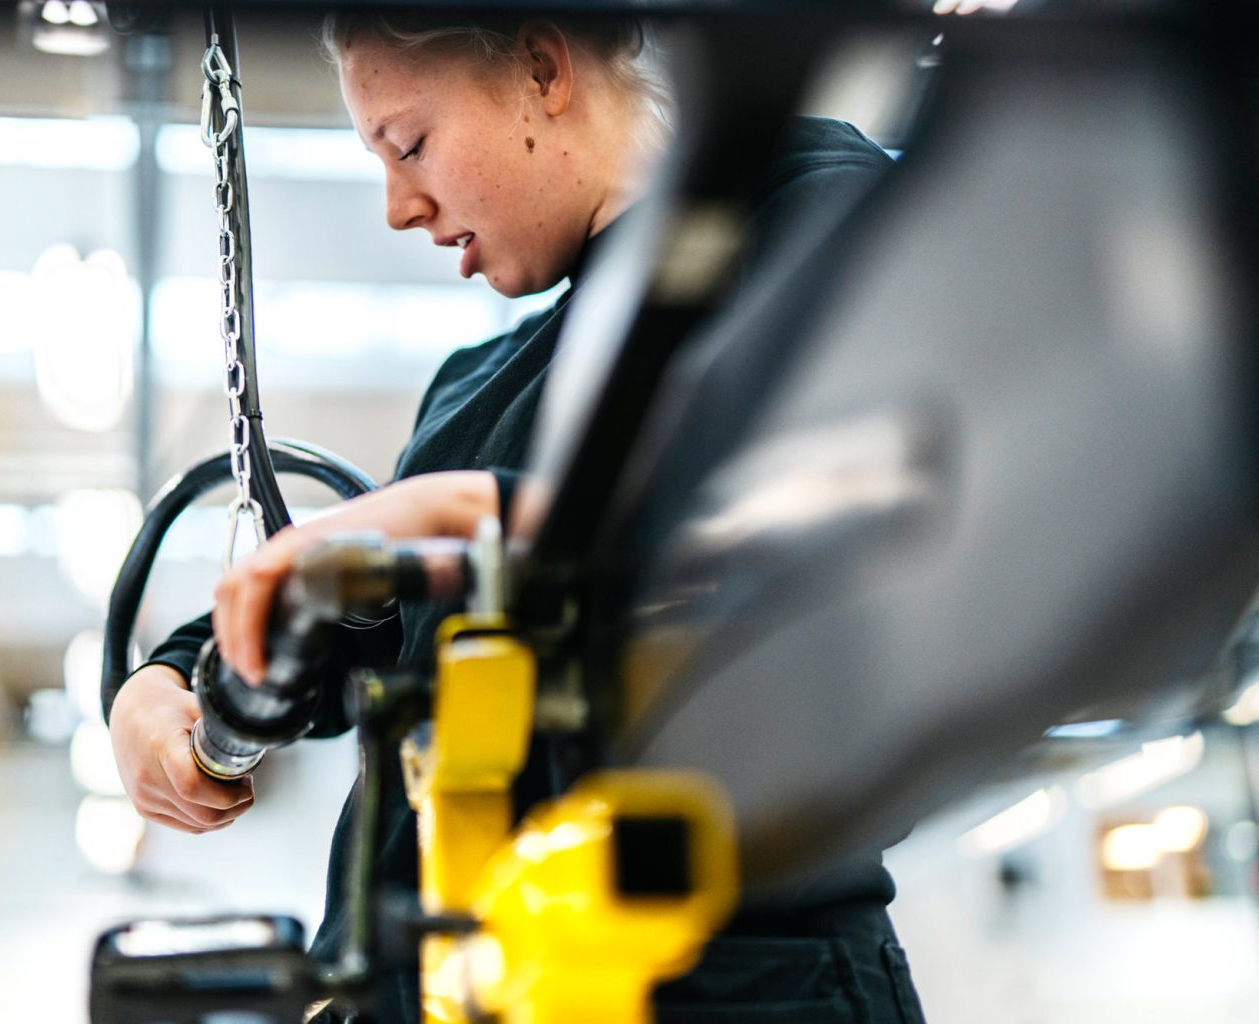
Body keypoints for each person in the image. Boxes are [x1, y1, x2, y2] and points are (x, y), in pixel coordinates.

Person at [109, 12, 923, 1022]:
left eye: (410, 143)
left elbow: (815, 499)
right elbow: (361, 613)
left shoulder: (797, 202)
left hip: (721, 977)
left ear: (543, 66)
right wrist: (171, 680)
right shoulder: (473, 393)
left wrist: (455, 510)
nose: (400, 206)